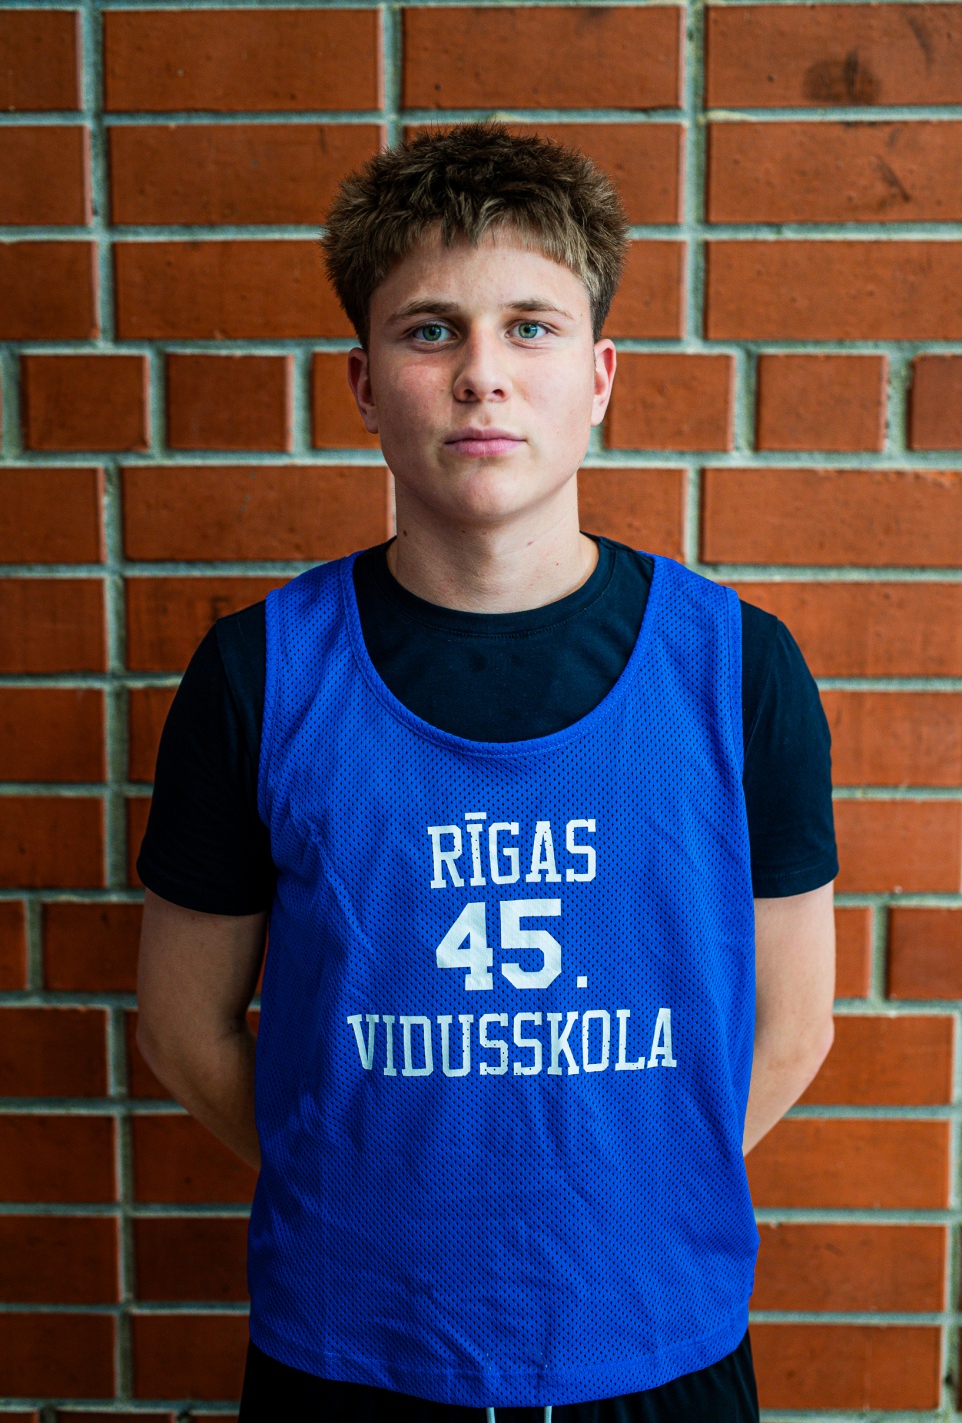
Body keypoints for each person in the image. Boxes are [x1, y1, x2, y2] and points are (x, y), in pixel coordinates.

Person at [136, 123, 838, 1423]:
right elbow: (182, 1031)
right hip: (351, 1349)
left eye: (530, 327)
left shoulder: (737, 669)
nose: (481, 376)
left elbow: (792, 1025)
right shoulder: (258, 677)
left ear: (599, 374)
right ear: (362, 382)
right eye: (430, 331)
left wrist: (619, 1185)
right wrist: (369, 1182)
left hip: (653, 1346)